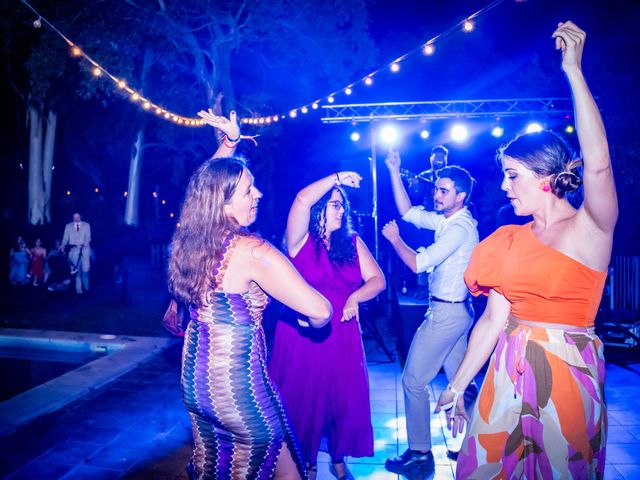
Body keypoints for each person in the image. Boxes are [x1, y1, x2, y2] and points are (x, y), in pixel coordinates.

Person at [435, 22, 615, 479]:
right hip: (504, 375)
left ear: (546, 176)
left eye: (513, 174)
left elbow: (598, 164)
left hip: (568, 376)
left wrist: (573, 72)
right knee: (485, 470)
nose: (503, 185)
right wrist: (457, 387)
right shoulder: (508, 241)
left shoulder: (590, 229)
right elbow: (495, 319)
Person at [169, 110, 332, 480]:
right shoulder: (252, 251)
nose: (258, 194)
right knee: (258, 460)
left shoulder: (192, 241)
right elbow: (321, 310)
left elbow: (203, 191)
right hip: (238, 390)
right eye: (248, 190)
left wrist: (229, 144)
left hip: (196, 381)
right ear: (224, 205)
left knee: (219, 464)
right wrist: (306, 317)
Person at [269, 172, 386, 480]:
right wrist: (335, 178)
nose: (342, 210)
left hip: (342, 333)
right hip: (304, 334)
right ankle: (302, 461)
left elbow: (378, 280)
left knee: (342, 400)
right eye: (335, 204)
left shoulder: (351, 242)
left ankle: (337, 458)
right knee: (302, 400)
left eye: (343, 205)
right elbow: (301, 198)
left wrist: (355, 298)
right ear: (319, 208)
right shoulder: (300, 241)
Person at [382, 154, 479, 476]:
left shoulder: (459, 229)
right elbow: (408, 212)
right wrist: (394, 170)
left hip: (446, 315)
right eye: (436, 190)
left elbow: (417, 264)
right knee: (463, 384)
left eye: (443, 191)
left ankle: (420, 455)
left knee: (413, 381)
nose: (436, 195)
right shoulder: (449, 221)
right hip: (456, 312)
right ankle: (479, 447)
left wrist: (395, 240)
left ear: (460, 196)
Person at [62, 213, 91, 294]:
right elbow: (65, 238)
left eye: (77, 216)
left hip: (84, 251)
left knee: (85, 270)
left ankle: (86, 288)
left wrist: (83, 245)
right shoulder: (68, 226)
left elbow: (88, 237)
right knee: (76, 271)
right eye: (74, 217)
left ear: (81, 216)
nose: (76, 218)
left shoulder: (86, 225)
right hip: (74, 251)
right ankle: (79, 290)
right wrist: (63, 245)